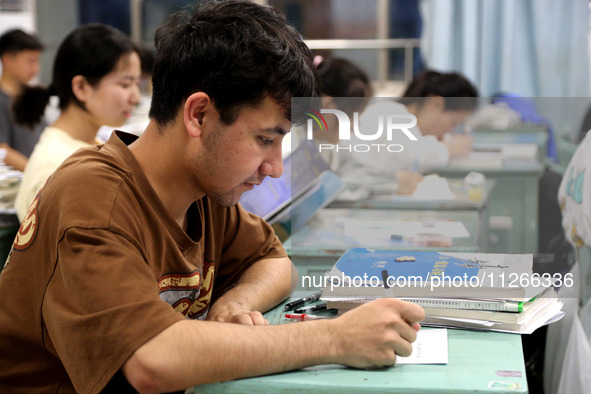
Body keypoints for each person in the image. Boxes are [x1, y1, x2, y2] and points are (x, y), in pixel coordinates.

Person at [0, 2, 425, 393]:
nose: (275, 166)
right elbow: (153, 361)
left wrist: (233, 303)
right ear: (199, 115)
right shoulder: (94, 197)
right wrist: (336, 338)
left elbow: (276, 262)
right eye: (264, 139)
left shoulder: (203, 191)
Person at [14, 24, 141, 221]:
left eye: (136, 83)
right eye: (125, 84)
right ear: (81, 87)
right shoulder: (61, 164)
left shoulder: (89, 145)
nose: (135, 97)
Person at [354, 70, 478, 175]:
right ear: (436, 104)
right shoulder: (388, 113)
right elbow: (408, 159)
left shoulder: (406, 122)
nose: (450, 131)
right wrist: (449, 148)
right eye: (453, 123)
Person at [0, 29, 45, 171]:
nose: (35, 68)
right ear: (7, 60)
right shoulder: (2, 101)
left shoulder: (31, 97)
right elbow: (2, 150)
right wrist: (37, 173)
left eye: (37, 61)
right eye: (30, 61)